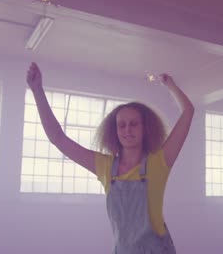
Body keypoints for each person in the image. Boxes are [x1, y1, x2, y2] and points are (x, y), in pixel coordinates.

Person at [26, 62, 194, 253]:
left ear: (145, 128)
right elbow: (58, 138)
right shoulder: (105, 167)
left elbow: (188, 112)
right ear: (114, 131)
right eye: (121, 125)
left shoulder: (159, 162)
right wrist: (37, 91)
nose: (127, 130)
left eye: (133, 124)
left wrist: (170, 85)